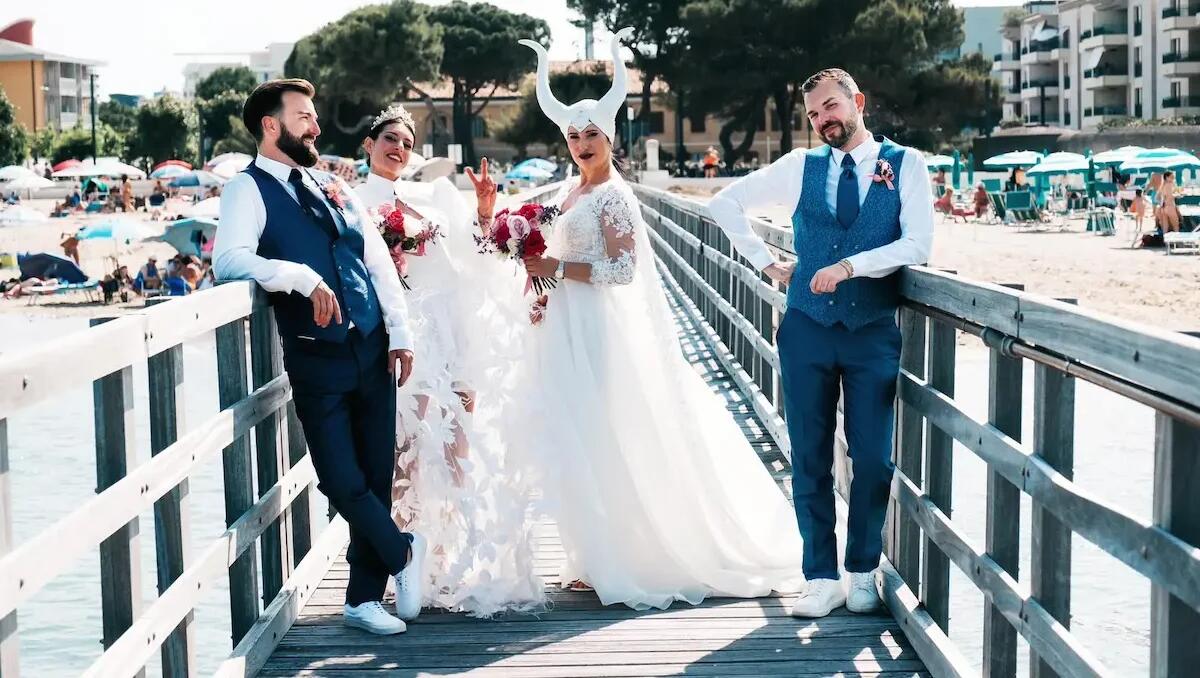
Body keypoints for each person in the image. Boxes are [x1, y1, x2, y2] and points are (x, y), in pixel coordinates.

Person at [516, 28, 804, 611]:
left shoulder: (613, 195)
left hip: (599, 330)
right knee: (580, 437)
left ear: (609, 135)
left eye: (591, 134)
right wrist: (537, 271)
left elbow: (620, 270)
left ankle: (626, 554)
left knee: (608, 433)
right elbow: (566, 254)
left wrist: (556, 265)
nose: (581, 143)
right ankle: (592, 556)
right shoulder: (571, 190)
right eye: (573, 136)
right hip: (565, 327)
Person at [709, 68, 934, 617]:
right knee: (809, 457)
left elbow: (918, 245)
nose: (823, 120)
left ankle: (862, 571)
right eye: (813, 114)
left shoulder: (906, 164)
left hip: (871, 332)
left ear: (858, 102)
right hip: (806, 330)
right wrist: (766, 263)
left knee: (874, 459)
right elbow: (722, 204)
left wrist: (852, 265)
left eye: (831, 106)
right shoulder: (798, 168)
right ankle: (820, 576)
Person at [213, 78, 423, 636]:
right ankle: (402, 550)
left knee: (376, 474)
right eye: (304, 117)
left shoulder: (333, 183)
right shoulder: (246, 189)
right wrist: (297, 277)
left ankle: (362, 599)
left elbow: (375, 258)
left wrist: (399, 331)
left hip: (372, 345)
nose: (316, 125)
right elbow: (228, 260)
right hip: (316, 353)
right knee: (338, 478)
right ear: (271, 126)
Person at [354, 104, 542, 616]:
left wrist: (484, 210)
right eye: (389, 137)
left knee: (456, 451)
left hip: (451, 335)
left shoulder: (430, 203)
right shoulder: (350, 204)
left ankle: (449, 559)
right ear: (368, 145)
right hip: (401, 340)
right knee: (408, 455)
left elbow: (476, 257)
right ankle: (407, 563)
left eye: (407, 142)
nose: (398, 148)